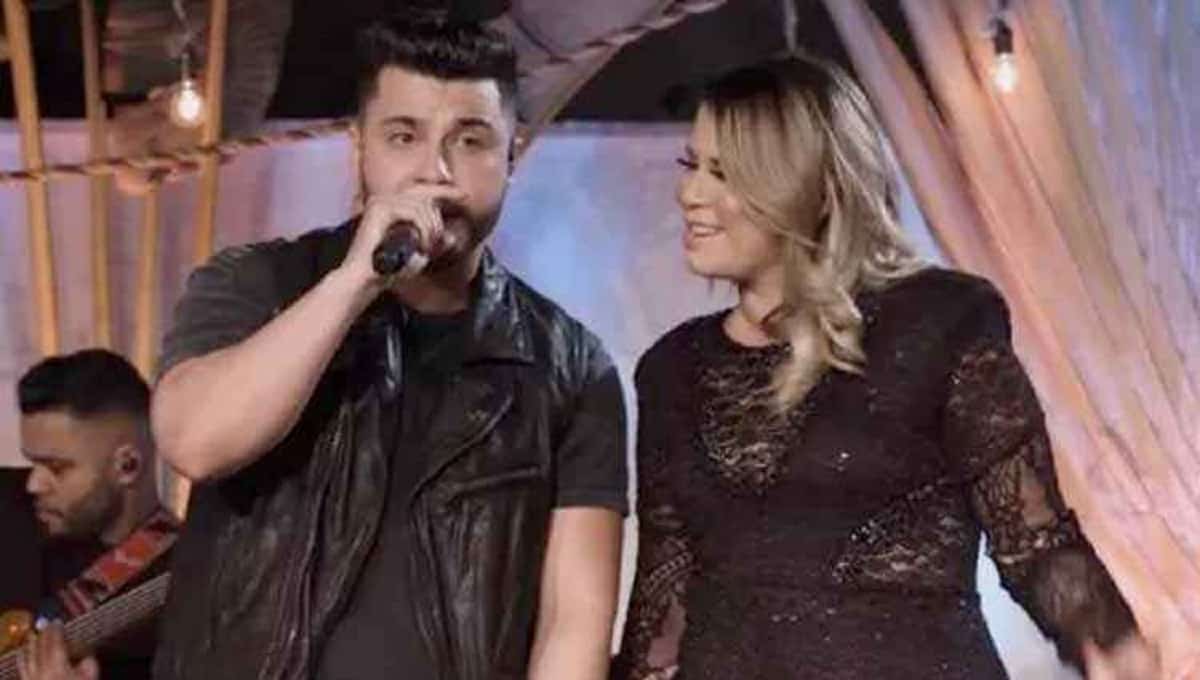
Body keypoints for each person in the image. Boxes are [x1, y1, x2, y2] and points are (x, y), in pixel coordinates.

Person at [611, 56, 1157, 679]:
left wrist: (1112, 642)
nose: (689, 194)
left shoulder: (941, 323)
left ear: (811, 188)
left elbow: (1032, 538)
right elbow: (663, 591)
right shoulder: (671, 370)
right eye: (691, 166)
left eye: (723, 173)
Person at [150, 13, 628, 680]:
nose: (435, 172)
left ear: (513, 154)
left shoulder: (571, 366)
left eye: (471, 141)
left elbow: (572, 626)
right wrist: (354, 283)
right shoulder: (257, 283)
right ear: (360, 148)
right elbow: (196, 441)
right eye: (404, 137)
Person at [2, 349, 177, 680]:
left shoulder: (188, 581)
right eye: (32, 461)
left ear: (128, 466)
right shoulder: (8, 501)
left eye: (56, 468)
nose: (34, 483)